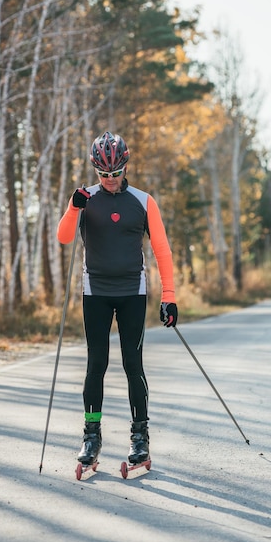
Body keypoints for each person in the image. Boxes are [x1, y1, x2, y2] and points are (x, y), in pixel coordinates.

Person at [57, 130, 178, 468]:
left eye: (116, 173)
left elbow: (162, 251)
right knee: (96, 365)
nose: (110, 180)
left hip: (132, 293)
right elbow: (64, 237)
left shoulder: (143, 201)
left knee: (132, 364)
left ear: (126, 166)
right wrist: (72, 208)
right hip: (95, 292)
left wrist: (168, 296)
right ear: (96, 170)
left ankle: (140, 437)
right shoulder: (85, 198)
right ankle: (91, 435)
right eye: (103, 174)